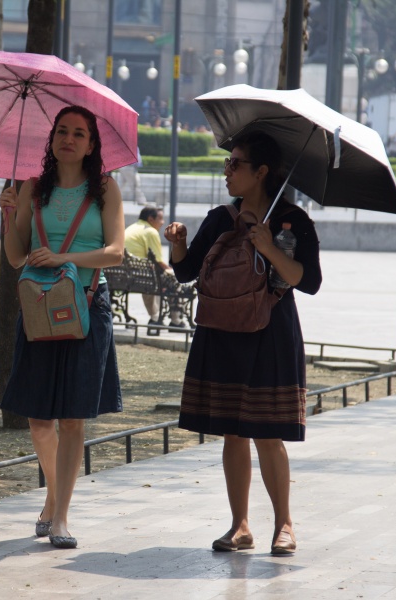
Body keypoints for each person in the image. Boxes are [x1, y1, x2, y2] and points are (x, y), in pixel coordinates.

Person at [164, 131, 322, 556]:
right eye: (227, 163)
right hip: (222, 330)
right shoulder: (220, 217)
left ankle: (284, 524)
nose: (227, 170)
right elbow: (186, 272)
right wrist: (178, 247)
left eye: (235, 164)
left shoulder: (293, 221)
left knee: (268, 434)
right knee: (232, 433)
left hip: (270, 332)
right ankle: (240, 526)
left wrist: (270, 248)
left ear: (262, 172)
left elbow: (308, 282)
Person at [0, 105, 125, 549]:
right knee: (38, 418)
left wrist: (64, 258)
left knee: (72, 418)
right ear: (51, 140)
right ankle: (53, 494)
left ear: (91, 145)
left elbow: (115, 253)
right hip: (39, 306)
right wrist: (7, 213)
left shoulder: (106, 189)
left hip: (88, 306)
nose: (69, 139)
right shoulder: (32, 189)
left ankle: (61, 518)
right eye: (62, 131)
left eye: (79, 133)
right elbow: (16, 256)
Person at [124, 206, 185, 333]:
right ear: (150, 219)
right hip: (141, 276)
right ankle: (176, 320)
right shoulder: (150, 231)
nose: (163, 222)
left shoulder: (132, 228)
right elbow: (158, 261)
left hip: (125, 275)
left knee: (155, 280)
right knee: (175, 281)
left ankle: (155, 317)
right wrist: (173, 272)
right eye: (160, 219)